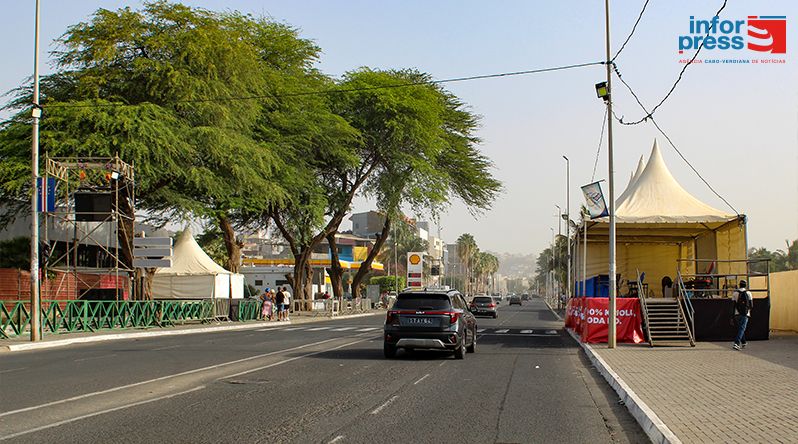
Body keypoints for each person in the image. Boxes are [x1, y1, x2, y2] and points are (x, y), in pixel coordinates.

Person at [731, 280, 753, 350]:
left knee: (741, 328)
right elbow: (751, 305)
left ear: (739, 285)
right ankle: (736, 343)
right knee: (742, 328)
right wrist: (747, 310)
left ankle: (743, 342)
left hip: (737, 314)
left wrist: (732, 315)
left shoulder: (735, 293)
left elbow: (733, 305)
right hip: (745, 314)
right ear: (745, 285)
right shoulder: (749, 293)